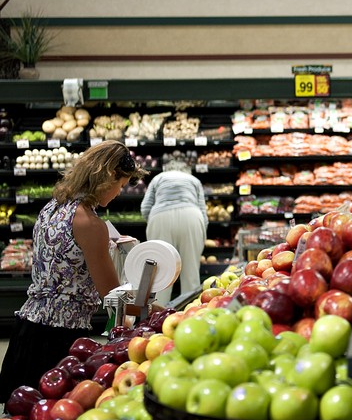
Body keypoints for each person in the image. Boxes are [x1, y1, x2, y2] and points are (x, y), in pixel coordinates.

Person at [0, 141, 147, 402]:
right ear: (109, 176)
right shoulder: (90, 223)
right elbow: (112, 296)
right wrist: (150, 309)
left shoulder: (53, 207)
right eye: (121, 185)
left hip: (27, 330)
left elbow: (66, 256)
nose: (118, 193)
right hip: (58, 342)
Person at [140, 161, 208, 305]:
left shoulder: (158, 178)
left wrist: (153, 222)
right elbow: (203, 211)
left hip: (160, 217)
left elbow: (145, 207)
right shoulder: (194, 180)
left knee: (161, 271)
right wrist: (201, 233)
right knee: (191, 273)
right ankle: (192, 313)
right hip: (191, 216)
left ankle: (156, 317)